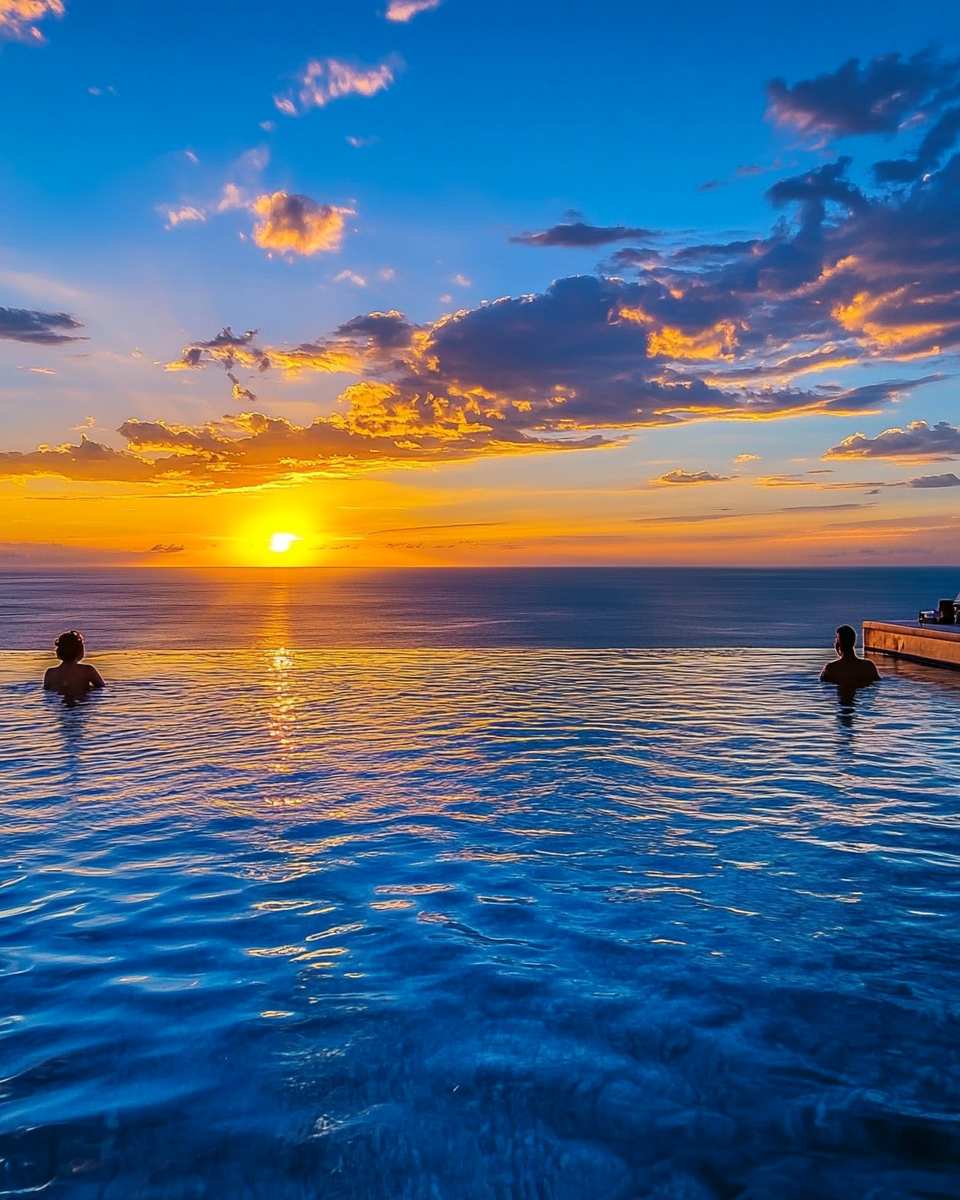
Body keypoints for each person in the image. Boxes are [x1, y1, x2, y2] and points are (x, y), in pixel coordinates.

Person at [43, 630, 105, 699]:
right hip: (81, 703)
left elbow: (47, 693)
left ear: (58, 651)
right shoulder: (87, 670)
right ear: (80, 651)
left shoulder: (50, 673)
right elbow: (101, 688)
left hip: (58, 705)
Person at [820, 624, 880, 689]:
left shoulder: (830, 669)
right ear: (854, 642)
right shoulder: (868, 666)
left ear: (838, 644)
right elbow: (876, 684)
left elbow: (824, 687)